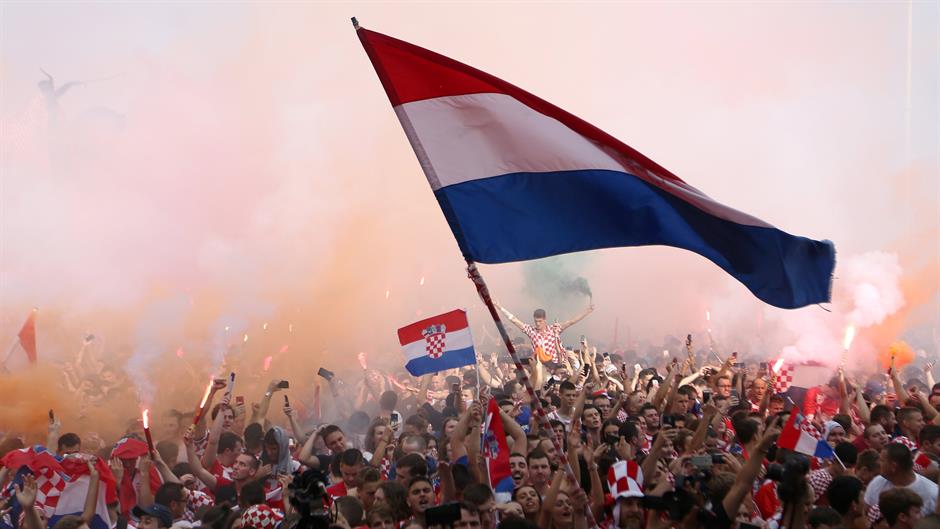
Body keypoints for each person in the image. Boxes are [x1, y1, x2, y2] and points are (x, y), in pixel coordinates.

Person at [495, 302, 594, 364]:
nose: (538, 324)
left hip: (557, 364)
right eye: (536, 321)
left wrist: (587, 311)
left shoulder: (554, 329)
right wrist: (500, 307)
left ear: (545, 319)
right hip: (541, 365)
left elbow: (571, 322)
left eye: (540, 321)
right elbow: (514, 320)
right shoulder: (531, 331)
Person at [865, 444, 938, 516]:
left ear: (893, 466)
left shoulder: (932, 493)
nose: (878, 463)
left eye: (882, 460)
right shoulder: (877, 482)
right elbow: (865, 514)